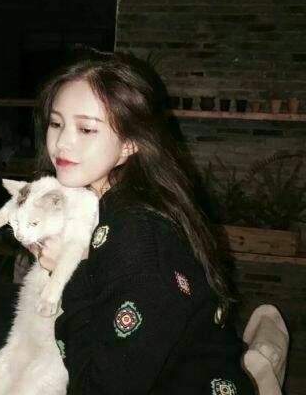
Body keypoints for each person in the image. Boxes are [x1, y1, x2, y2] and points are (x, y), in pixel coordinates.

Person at [33, 48, 257, 394]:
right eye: (56, 123)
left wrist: (69, 271)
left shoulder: (137, 234)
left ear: (130, 144)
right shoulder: (114, 202)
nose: (62, 142)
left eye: (86, 129)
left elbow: (97, 389)